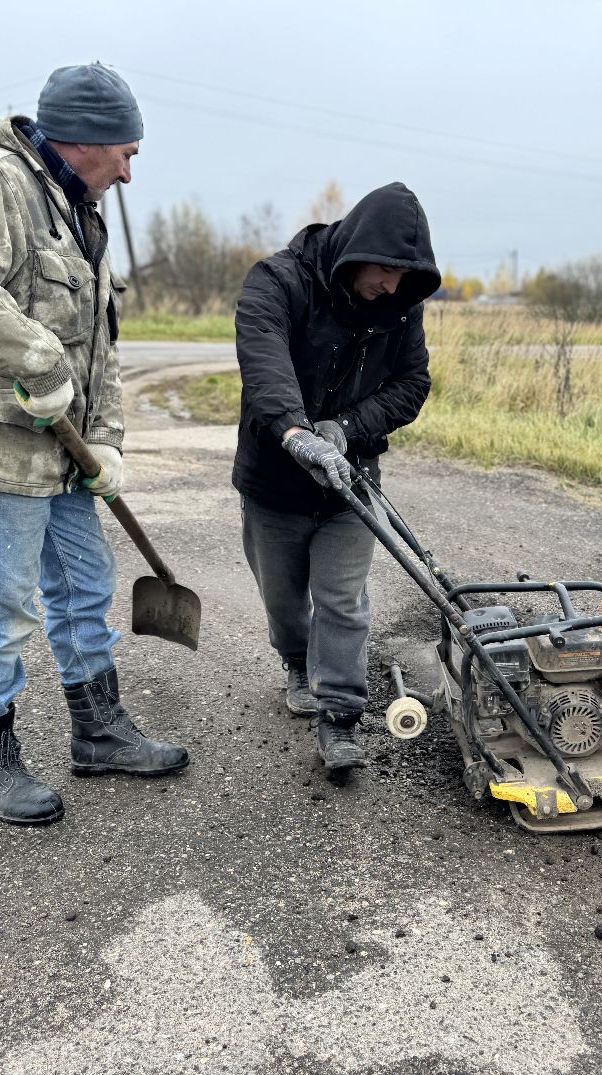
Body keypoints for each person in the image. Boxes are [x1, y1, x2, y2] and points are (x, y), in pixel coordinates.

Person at [0, 62, 190, 826]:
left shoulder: (80, 209)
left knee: (86, 587)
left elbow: (101, 344)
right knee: (0, 606)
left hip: (64, 454)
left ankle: (99, 731)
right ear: (82, 139)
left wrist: (108, 441)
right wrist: (33, 354)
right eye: (124, 151)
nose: (129, 169)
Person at [233, 182, 440, 771]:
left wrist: (345, 429)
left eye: (406, 276)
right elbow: (264, 362)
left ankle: (341, 716)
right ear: (356, 246)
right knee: (284, 601)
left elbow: (412, 384)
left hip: (351, 480)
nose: (392, 286)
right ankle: (296, 661)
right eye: (386, 270)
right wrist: (296, 433)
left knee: (343, 599)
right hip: (273, 480)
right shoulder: (277, 282)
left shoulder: (400, 306)